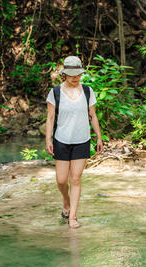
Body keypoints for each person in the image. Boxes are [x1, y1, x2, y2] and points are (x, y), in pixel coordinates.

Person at [45, 56, 103, 228]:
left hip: (82, 140)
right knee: (61, 181)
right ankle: (66, 200)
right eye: (71, 74)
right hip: (61, 140)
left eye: (77, 74)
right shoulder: (55, 93)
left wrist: (98, 137)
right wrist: (48, 139)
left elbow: (92, 116)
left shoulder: (87, 91)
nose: (75, 77)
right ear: (64, 74)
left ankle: (73, 216)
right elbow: (50, 118)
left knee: (75, 179)